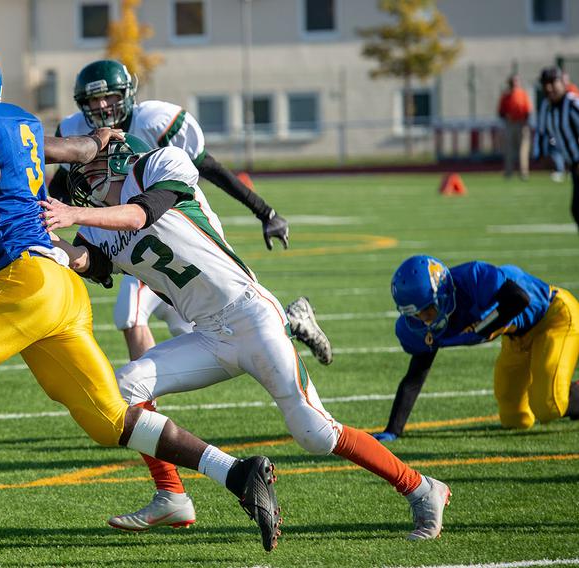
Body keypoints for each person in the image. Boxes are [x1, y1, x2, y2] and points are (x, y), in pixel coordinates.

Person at [0, 44, 282, 556]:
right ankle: (236, 472)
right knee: (108, 420)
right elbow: (78, 152)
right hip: (61, 284)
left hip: (25, 279)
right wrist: (101, 136)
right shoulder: (19, 119)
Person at [38, 135, 450, 540]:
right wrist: (45, 234)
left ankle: (421, 488)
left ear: (111, 157)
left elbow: (142, 215)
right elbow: (90, 263)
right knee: (125, 389)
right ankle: (177, 493)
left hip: (251, 315)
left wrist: (74, 215)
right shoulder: (97, 225)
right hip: (209, 335)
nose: (79, 178)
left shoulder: (156, 166)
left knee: (316, 433)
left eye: (83, 164)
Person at [49, 59, 332, 367]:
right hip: (131, 236)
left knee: (129, 313)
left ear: (128, 93)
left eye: (110, 96)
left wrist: (265, 211)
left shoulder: (156, 120)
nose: (102, 105)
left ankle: (144, 407)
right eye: (93, 99)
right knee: (192, 325)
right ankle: (291, 321)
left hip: (171, 223)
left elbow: (210, 167)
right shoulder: (76, 132)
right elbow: (65, 186)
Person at [372, 255, 579, 442]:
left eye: (427, 311)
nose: (423, 320)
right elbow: (415, 375)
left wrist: (481, 328)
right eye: (415, 315)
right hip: (517, 338)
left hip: (554, 316)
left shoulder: (473, 278)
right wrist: (393, 430)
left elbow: (518, 298)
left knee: (548, 405)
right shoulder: (420, 326)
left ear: (443, 294)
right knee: (516, 418)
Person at [533, 66, 579, 231]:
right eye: (546, 84)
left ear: (562, 82)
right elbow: (542, 131)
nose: (549, 88)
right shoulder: (547, 107)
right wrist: (541, 154)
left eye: (553, 83)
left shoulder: (572, 104)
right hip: (574, 167)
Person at [496, 75, 532, 181]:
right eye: (513, 82)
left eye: (516, 81)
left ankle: (524, 173)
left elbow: (528, 110)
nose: (515, 84)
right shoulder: (506, 95)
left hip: (522, 124)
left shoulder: (523, 94)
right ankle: (508, 172)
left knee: (523, 150)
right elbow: (500, 111)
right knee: (509, 150)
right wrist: (506, 117)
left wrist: (526, 122)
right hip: (510, 124)